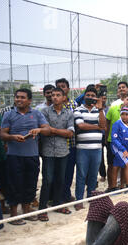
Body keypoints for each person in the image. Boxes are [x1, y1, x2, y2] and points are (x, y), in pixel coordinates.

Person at [0, 88, 50, 225]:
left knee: (30, 184)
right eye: (17, 97)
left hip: (32, 156)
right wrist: (12, 137)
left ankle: (27, 212)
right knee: (14, 184)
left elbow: (47, 129)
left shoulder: (36, 114)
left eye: (22, 97)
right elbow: (2, 134)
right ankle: (14, 215)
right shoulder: (8, 114)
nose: (19, 100)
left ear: (29, 100)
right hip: (14, 156)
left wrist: (38, 129)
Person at [38, 88, 75, 220]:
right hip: (48, 152)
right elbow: (45, 131)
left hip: (63, 152)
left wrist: (52, 129)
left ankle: (58, 204)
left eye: (58, 95)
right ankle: (42, 209)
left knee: (61, 179)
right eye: (53, 95)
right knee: (47, 180)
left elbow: (70, 133)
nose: (54, 97)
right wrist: (60, 131)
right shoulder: (45, 112)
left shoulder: (69, 113)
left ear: (64, 97)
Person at [73, 87, 106, 211]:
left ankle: (91, 197)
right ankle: (79, 200)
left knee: (93, 175)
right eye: (88, 95)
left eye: (93, 95)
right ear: (84, 96)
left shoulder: (100, 111)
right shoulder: (78, 110)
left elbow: (104, 126)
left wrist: (101, 109)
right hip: (82, 148)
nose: (90, 97)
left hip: (97, 148)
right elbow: (80, 125)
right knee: (81, 174)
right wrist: (97, 127)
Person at [105, 93, 128, 192]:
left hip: (125, 147)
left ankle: (122, 187)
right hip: (116, 147)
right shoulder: (117, 124)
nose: (124, 116)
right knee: (125, 164)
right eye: (122, 114)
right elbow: (114, 139)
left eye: (127, 114)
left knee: (121, 165)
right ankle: (124, 187)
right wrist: (123, 150)